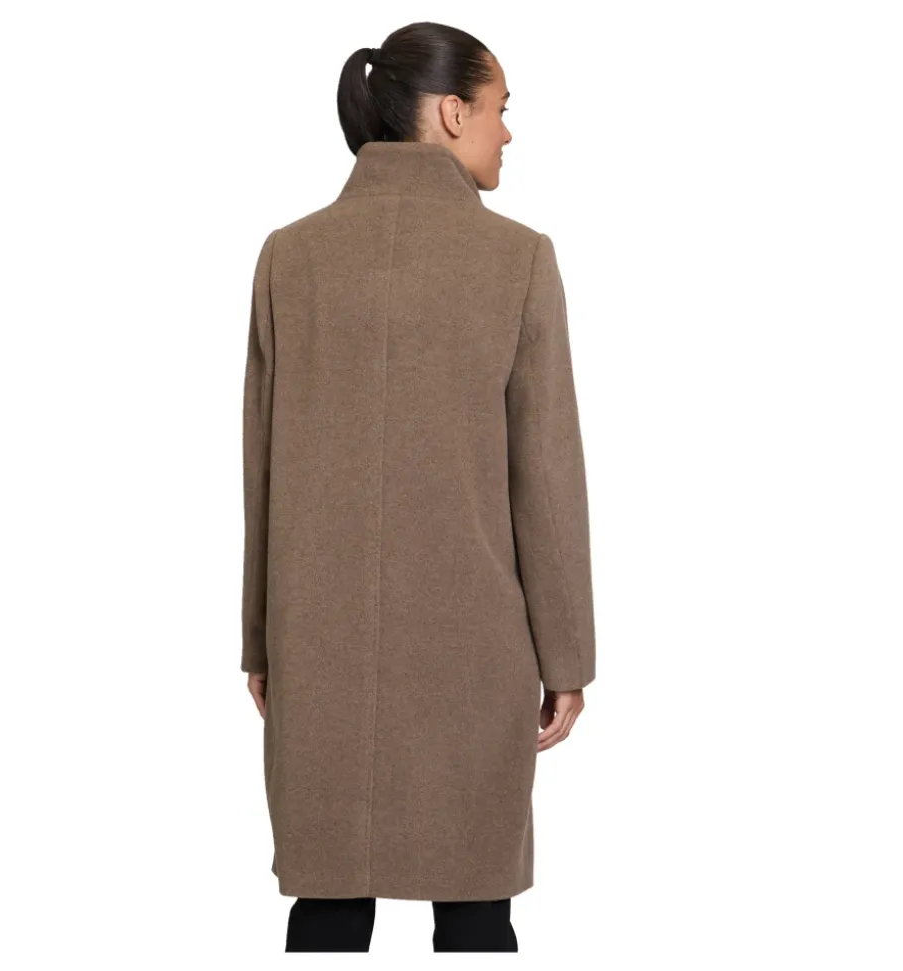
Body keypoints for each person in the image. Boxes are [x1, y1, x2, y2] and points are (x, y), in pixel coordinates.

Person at [241, 21, 597, 953]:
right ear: (450, 113)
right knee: (475, 906)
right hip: (474, 653)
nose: (508, 131)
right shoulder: (518, 260)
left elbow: (261, 466)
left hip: (317, 640)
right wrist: (568, 657)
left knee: (326, 903)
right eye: (499, 108)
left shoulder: (290, 255)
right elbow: (545, 476)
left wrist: (261, 637)